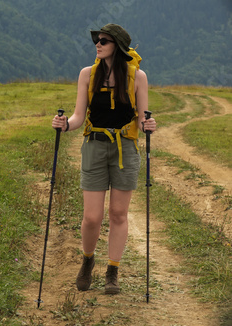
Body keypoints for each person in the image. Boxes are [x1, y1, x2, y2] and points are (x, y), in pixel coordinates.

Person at [52, 23, 156, 294]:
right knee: (91, 217)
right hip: (95, 146)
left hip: (125, 148)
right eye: (97, 40)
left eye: (104, 41)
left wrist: (149, 125)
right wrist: (65, 125)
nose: (98, 44)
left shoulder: (137, 77)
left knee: (119, 213)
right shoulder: (87, 74)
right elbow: (78, 116)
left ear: (118, 48)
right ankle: (88, 260)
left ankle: (113, 271)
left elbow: (143, 117)